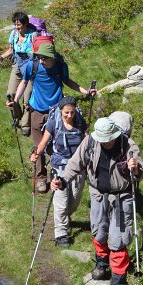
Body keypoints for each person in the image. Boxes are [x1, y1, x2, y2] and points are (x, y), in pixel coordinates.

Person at [56, 113, 143, 285]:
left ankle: (118, 279)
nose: (104, 143)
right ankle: (102, 264)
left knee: (118, 238)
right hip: (98, 194)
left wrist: (135, 169)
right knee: (99, 231)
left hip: (121, 197)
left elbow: (142, 172)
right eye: (101, 140)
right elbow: (75, 163)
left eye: (107, 140)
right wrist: (63, 180)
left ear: (114, 135)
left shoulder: (128, 145)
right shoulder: (91, 142)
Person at [7, 42, 96, 193]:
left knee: (56, 144)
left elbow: (68, 81)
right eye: (40, 57)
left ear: (52, 58)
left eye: (45, 58)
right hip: (36, 110)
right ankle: (41, 178)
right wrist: (15, 100)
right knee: (38, 145)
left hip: (56, 111)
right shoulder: (32, 66)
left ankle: (58, 170)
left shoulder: (60, 66)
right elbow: (24, 82)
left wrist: (86, 91)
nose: (41, 60)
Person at [30, 95, 87, 246]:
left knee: (73, 202)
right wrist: (36, 154)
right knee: (61, 202)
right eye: (66, 113)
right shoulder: (54, 122)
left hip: (78, 167)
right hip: (59, 167)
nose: (69, 115)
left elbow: (87, 141)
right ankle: (61, 234)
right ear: (61, 111)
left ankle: (64, 218)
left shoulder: (80, 121)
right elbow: (43, 142)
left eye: (72, 112)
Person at [0, 11, 36, 136]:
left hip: (30, 67)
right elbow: (11, 50)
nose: (17, 27)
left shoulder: (33, 35)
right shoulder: (14, 34)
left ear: (25, 24)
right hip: (18, 65)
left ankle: (26, 125)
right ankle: (17, 116)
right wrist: (1, 57)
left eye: (19, 25)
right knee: (11, 94)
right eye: (15, 24)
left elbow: (37, 52)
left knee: (27, 97)